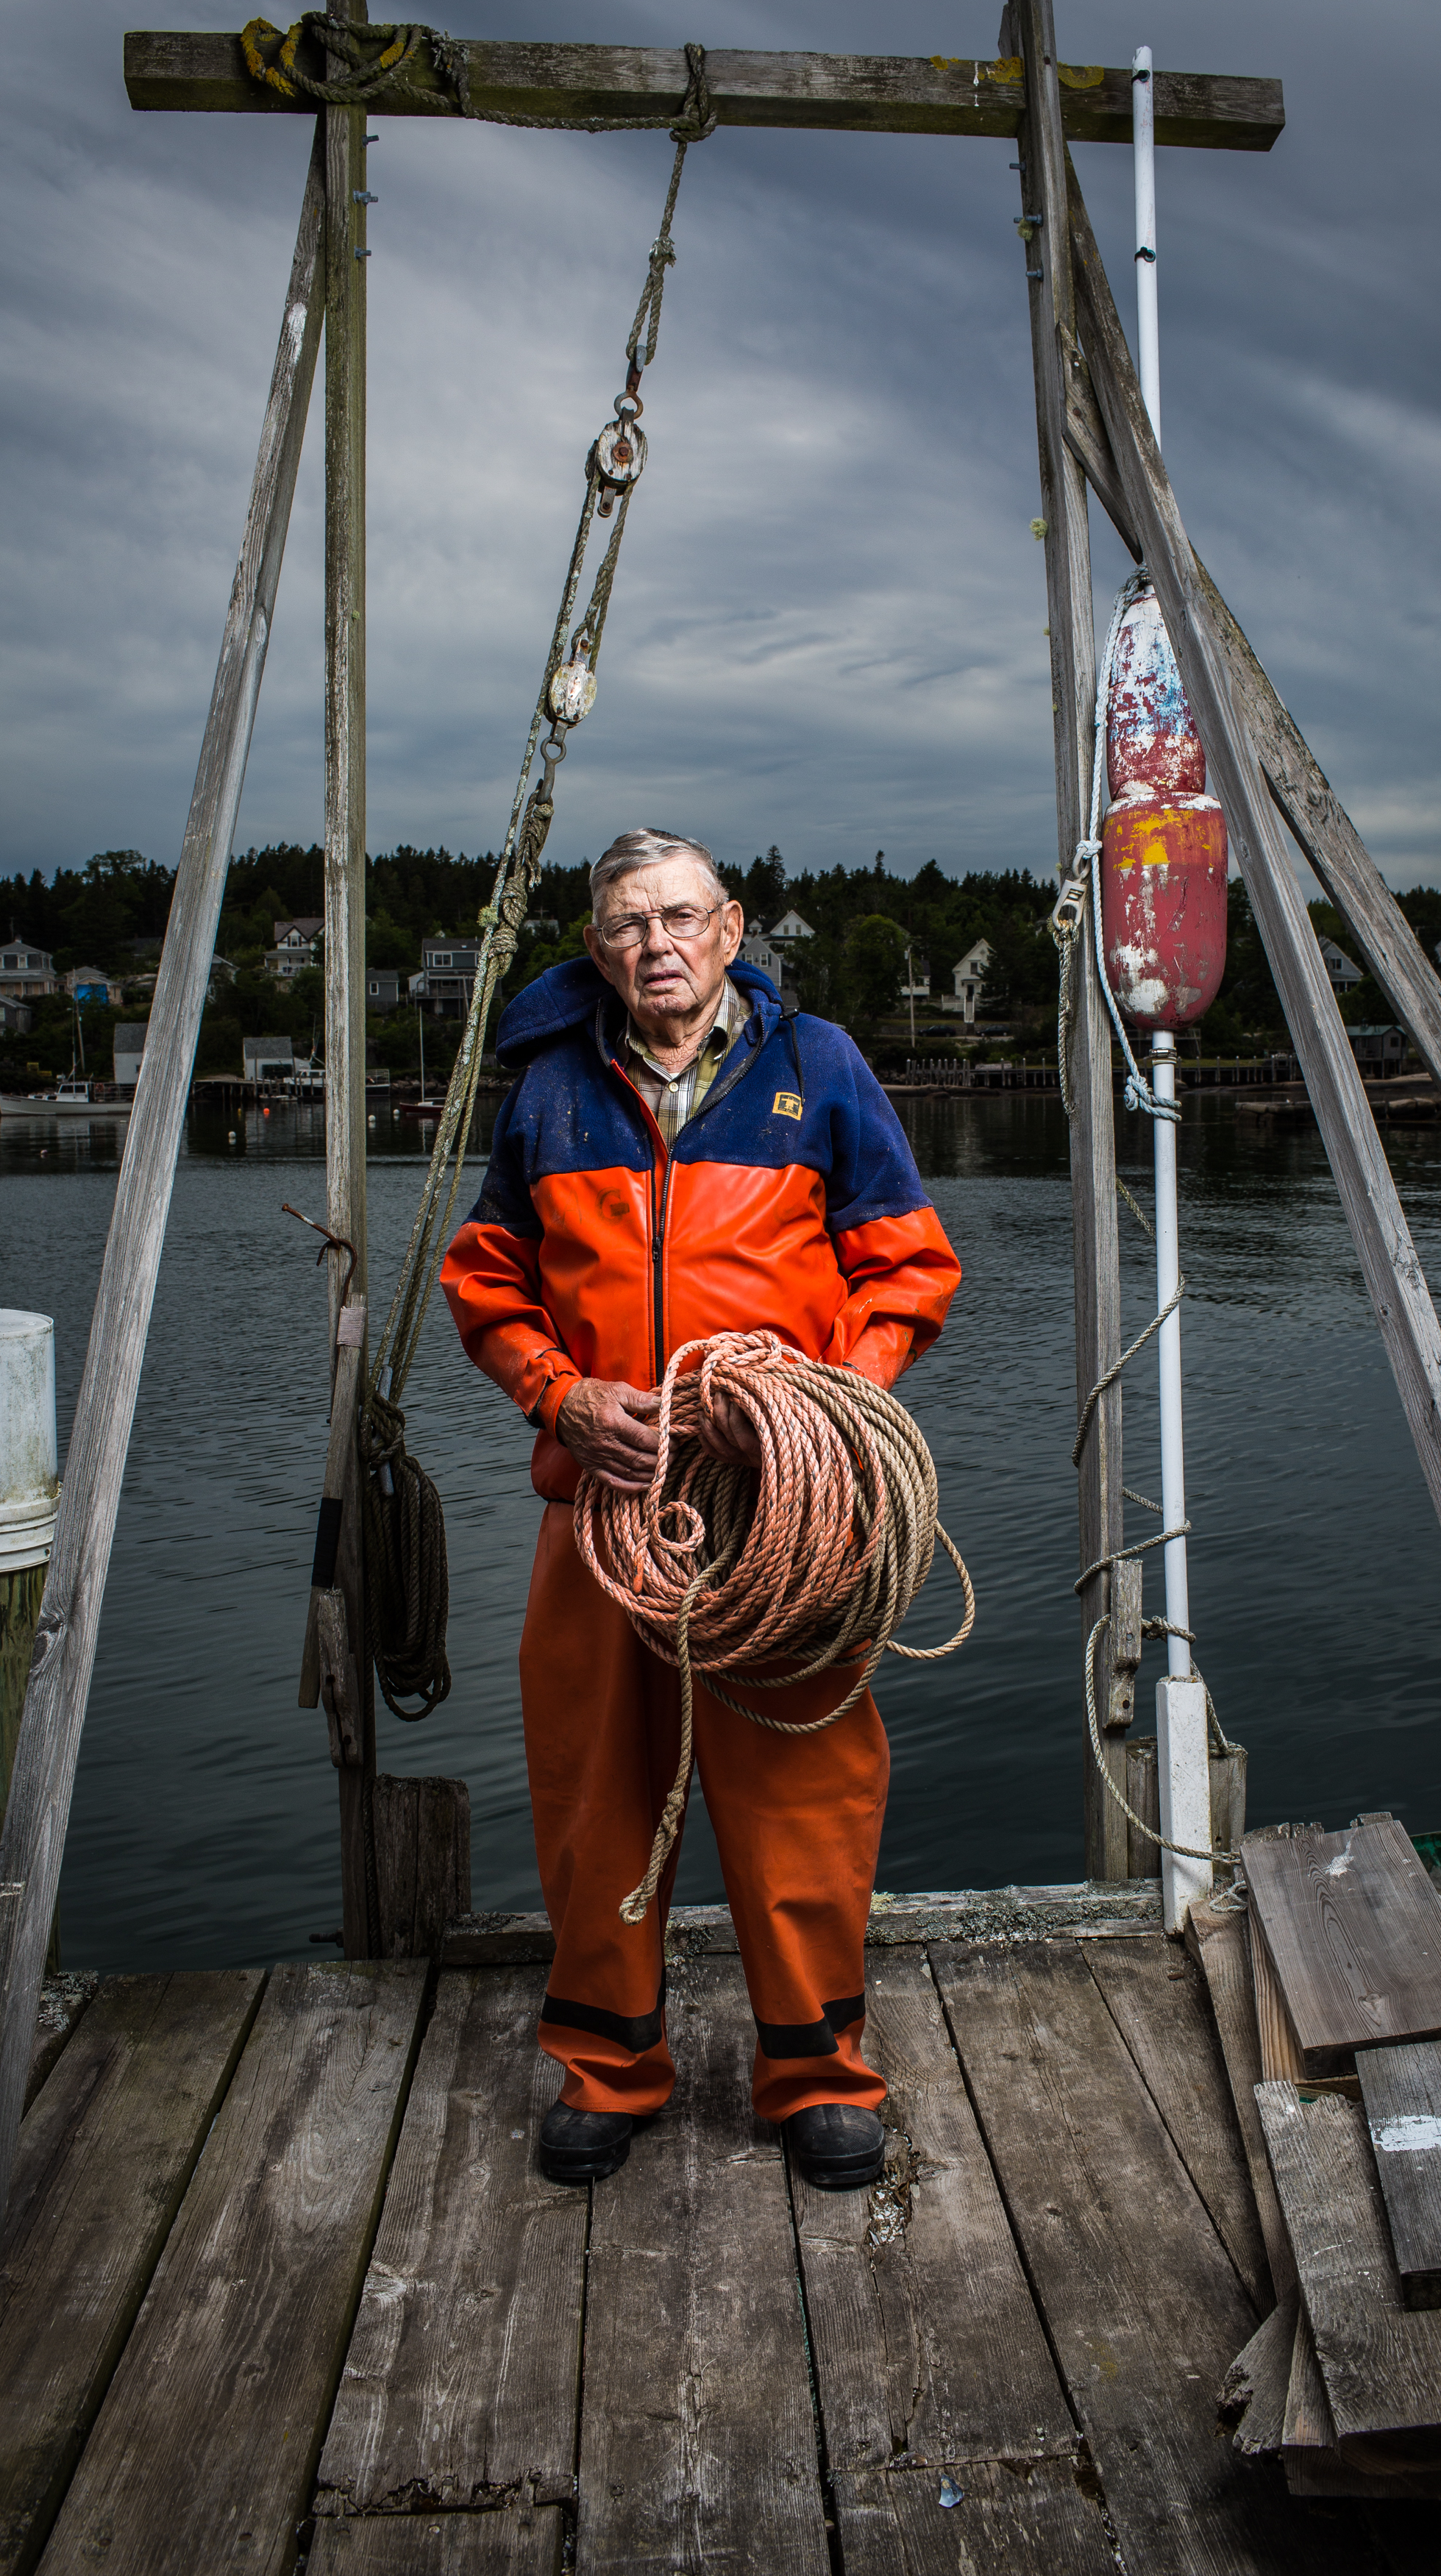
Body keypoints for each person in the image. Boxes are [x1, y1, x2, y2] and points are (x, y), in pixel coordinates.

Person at [441, 828, 961, 2189]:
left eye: (678, 918)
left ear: (730, 930)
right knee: (595, 1791)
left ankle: (819, 2076)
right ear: (597, 947)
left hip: (778, 1522)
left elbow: (908, 1268)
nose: (654, 945)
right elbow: (482, 1283)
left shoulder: (817, 1068)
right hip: (601, 1520)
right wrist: (562, 1400)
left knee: (806, 1790)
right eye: (625, 925)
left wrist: (821, 1413)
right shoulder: (552, 1089)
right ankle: (609, 2068)